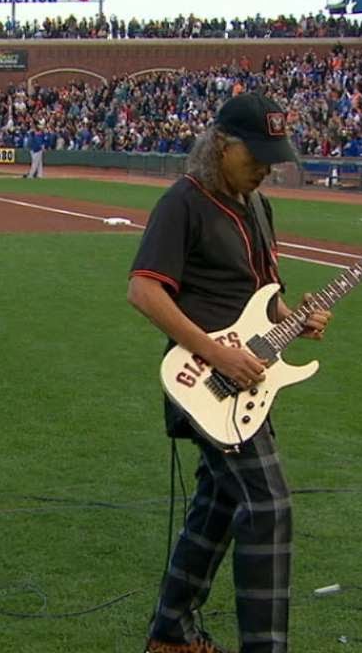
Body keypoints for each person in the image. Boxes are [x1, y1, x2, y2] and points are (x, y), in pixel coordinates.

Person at [127, 93, 331, 653]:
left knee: (218, 504)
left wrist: (296, 319)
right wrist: (217, 354)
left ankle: (171, 632)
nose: (266, 166)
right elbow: (143, 291)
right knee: (268, 506)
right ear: (222, 145)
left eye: (274, 155)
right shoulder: (182, 204)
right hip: (203, 381)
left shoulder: (259, 206)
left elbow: (263, 296)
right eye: (257, 154)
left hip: (249, 381)